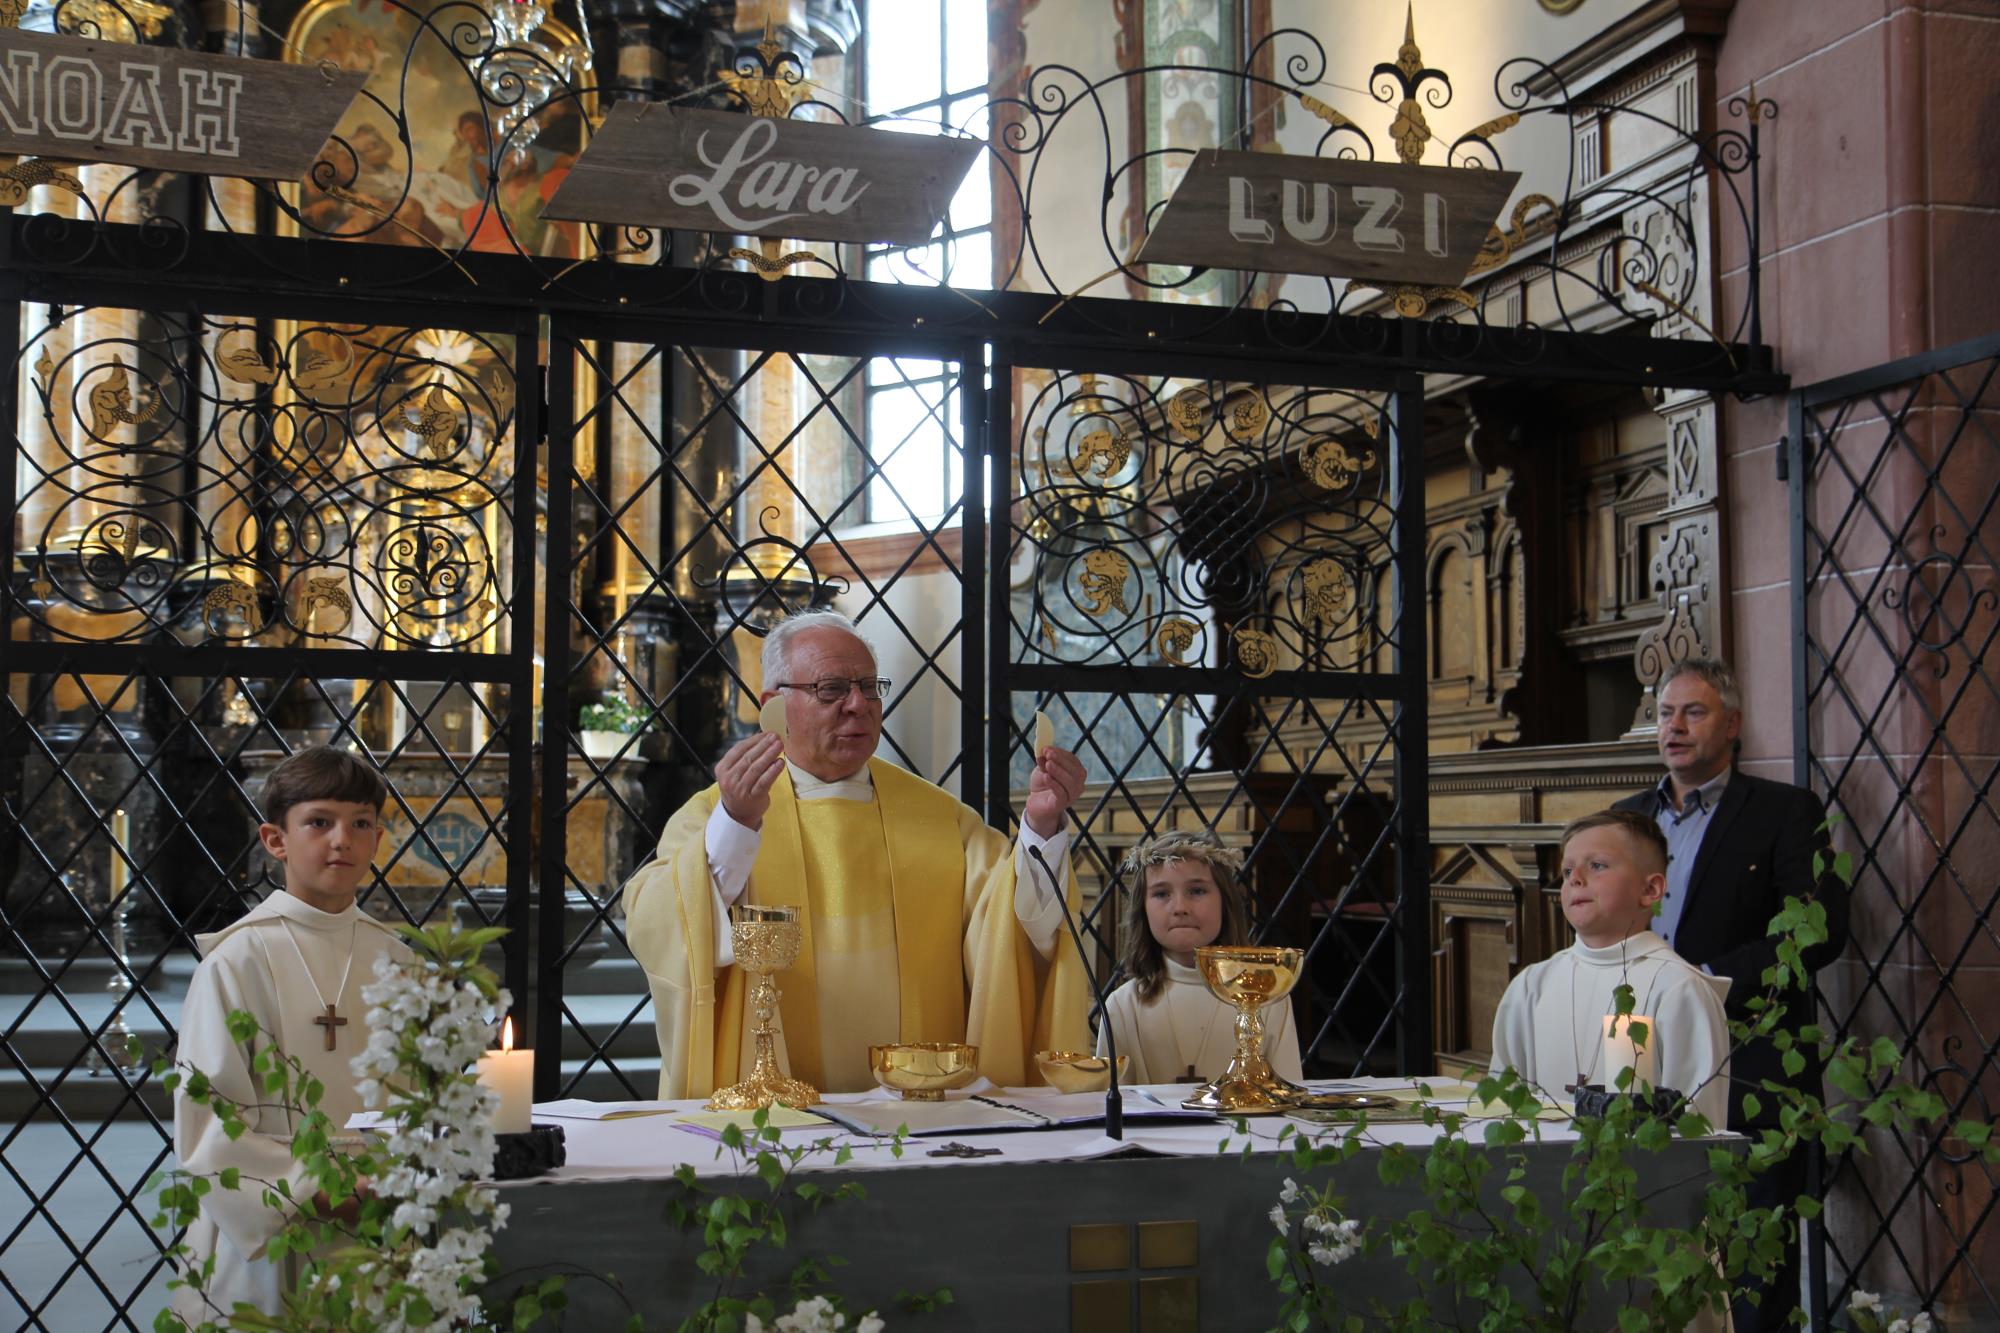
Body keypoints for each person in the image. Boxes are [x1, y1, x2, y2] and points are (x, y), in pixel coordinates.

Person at [622, 610, 1093, 1097]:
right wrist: (738, 824)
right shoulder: (716, 816)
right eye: (831, 689)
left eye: (870, 688)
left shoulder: (941, 819)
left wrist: (1040, 825)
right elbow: (662, 922)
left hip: (922, 1112)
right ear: (774, 705)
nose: (858, 705)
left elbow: (1021, 929)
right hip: (775, 1117)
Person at [1613, 657, 1848, 1331]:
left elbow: (1818, 931)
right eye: (1664, 713)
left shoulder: (1784, 812)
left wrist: (1701, 978)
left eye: (1694, 711)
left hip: (1751, 1063)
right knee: (1648, 1252)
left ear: (1733, 723)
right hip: (1641, 1063)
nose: (1675, 726)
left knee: (1753, 1266)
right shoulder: (1626, 818)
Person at [172, 747, 408, 1323]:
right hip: (275, 1220)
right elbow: (211, 1115)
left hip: (380, 1214)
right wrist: (316, 1191)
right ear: (276, 840)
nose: (342, 841)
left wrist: (399, 1178)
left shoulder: (398, 960)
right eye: (319, 822)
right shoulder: (238, 961)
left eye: (360, 824)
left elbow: (417, 1097)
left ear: (378, 837)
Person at [1490, 810, 1732, 1130]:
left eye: (1597, 865)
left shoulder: (1677, 988)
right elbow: (1501, 1111)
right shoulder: (1531, 986)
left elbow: (1698, 1129)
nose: (1575, 878)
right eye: (1567, 870)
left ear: (1651, 890)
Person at [1095, 831, 1302, 1085]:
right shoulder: (1122, 1007)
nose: (1180, 907)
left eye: (1196, 891)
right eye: (1161, 894)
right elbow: (1111, 1115)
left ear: (1225, 901)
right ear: (1142, 909)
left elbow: (1289, 1103)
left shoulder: (1267, 999)